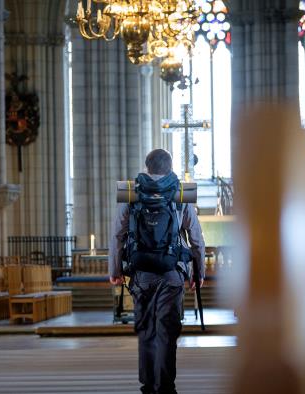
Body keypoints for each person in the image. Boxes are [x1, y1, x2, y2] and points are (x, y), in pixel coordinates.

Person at [108, 149, 205, 394]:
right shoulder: (182, 191)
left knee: (147, 331)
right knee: (167, 331)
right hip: (171, 273)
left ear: (147, 166)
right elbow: (196, 238)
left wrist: (115, 269)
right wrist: (199, 272)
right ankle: (166, 386)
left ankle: (148, 386)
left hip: (141, 274)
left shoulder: (130, 191)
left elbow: (117, 235)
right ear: (169, 167)